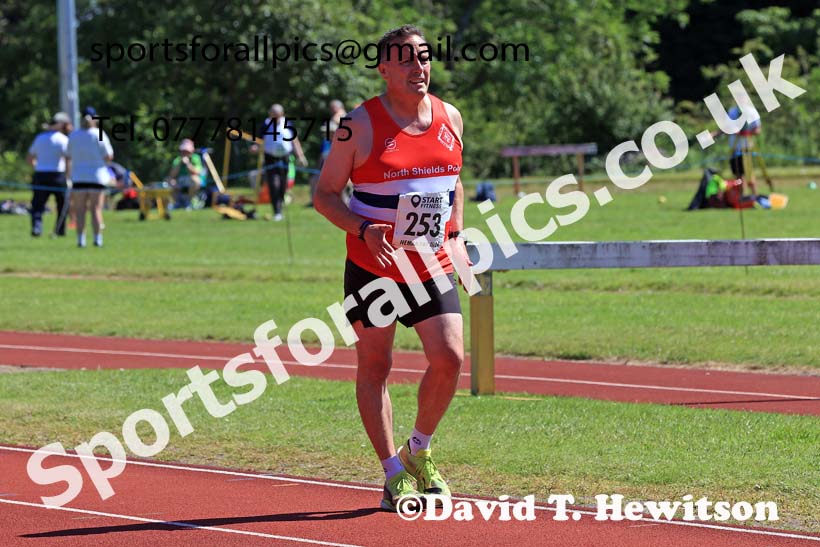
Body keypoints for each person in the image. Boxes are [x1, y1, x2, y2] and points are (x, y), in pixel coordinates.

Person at [314, 25, 468, 511]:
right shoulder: (357, 124)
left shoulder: (451, 116)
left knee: (449, 358)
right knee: (376, 365)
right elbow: (322, 195)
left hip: (430, 262)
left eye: (423, 58)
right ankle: (391, 472)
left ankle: (418, 451)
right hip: (373, 265)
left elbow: (454, 181)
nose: (417, 67)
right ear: (383, 69)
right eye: (405, 59)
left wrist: (457, 233)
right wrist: (363, 229)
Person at [67, 106, 113, 248]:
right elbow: (109, 156)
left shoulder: (74, 135)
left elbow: (68, 155)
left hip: (79, 177)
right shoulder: (99, 134)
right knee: (96, 209)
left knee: (80, 210)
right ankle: (97, 239)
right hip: (96, 177)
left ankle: (81, 240)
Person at [27, 112, 72, 237]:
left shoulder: (40, 138)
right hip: (58, 175)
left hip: (40, 174)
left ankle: (37, 228)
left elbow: (30, 158)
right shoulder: (63, 139)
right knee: (62, 205)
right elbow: (68, 158)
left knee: (37, 204)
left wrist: (37, 166)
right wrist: (68, 176)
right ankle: (59, 230)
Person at [258, 104, 307, 221]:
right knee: (274, 184)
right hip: (270, 158)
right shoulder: (265, 125)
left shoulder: (288, 124)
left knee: (283, 184)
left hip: (285, 158)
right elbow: (260, 141)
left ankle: (280, 204)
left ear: (282, 115)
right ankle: (277, 211)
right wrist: (257, 149)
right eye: (273, 116)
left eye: (277, 116)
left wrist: (301, 156)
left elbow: (295, 141)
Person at [308, 99, 347, 207]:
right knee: (315, 180)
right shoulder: (328, 142)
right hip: (328, 166)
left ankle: (344, 203)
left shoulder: (343, 119)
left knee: (340, 185)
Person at [167, 138, 202, 209]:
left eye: (186, 151)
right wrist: (180, 164)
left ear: (191, 151)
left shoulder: (196, 158)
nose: (184, 153)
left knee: (195, 179)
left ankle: (190, 202)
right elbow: (172, 175)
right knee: (169, 181)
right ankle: (175, 203)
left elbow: (197, 172)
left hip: (191, 180)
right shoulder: (177, 160)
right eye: (183, 151)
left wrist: (188, 164)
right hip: (180, 181)